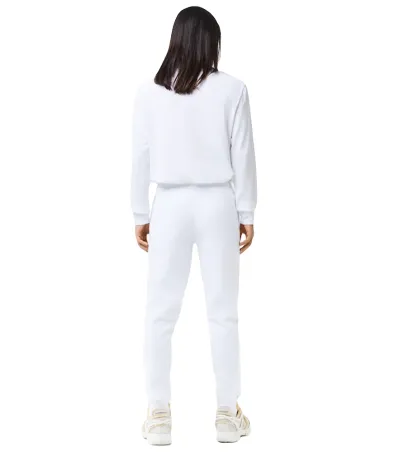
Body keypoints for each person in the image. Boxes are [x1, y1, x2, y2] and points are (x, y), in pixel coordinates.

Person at [131, 6, 256, 445]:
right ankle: (226, 412)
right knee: (223, 312)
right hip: (219, 203)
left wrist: (140, 213)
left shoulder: (150, 92)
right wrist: (247, 212)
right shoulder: (233, 89)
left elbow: (140, 154)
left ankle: (158, 413)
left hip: (168, 203)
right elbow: (243, 153)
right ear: (212, 42)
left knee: (160, 312)